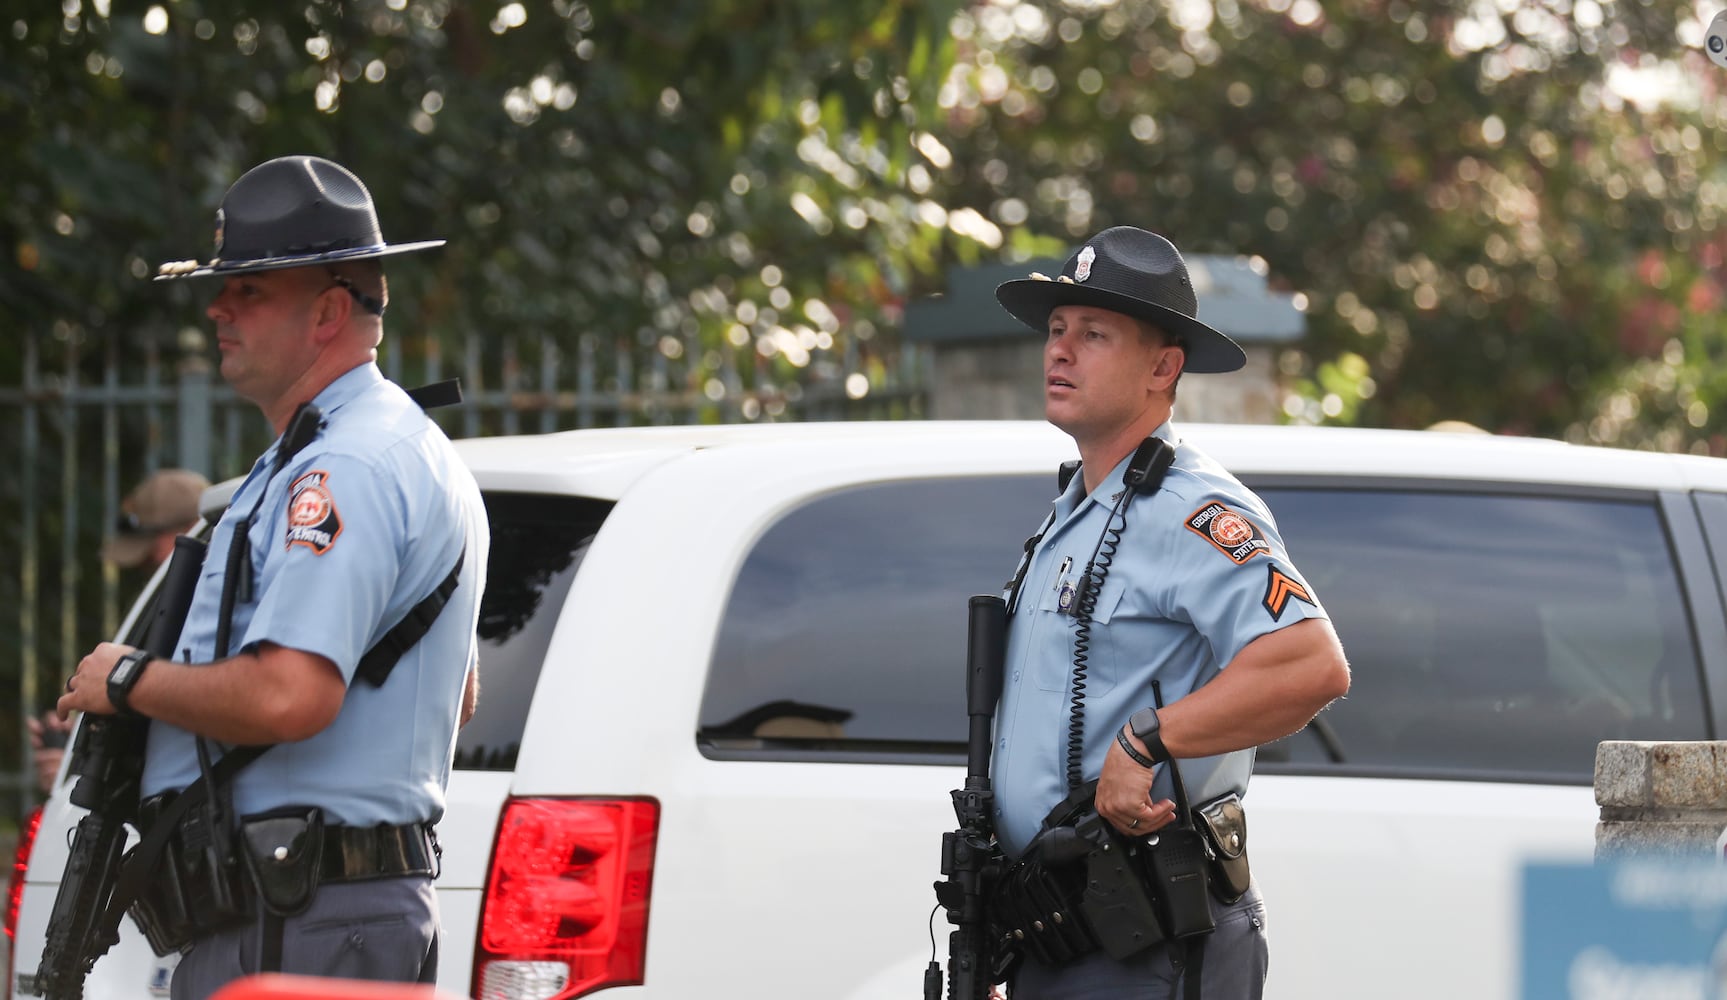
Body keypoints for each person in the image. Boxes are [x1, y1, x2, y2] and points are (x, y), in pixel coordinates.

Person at [56, 155, 489, 1000]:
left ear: (328, 311)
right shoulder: (360, 449)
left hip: (302, 913)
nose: (219, 306)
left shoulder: (348, 466)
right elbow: (457, 688)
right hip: (309, 908)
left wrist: (132, 679)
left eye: (250, 289)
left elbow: (294, 697)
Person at [987, 226, 1350, 999]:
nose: (1059, 351)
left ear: (1162, 366)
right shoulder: (1069, 514)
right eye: (1055, 331)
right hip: (1058, 928)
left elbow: (1310, 664)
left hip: (1149, 937)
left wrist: (1147, 739)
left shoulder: (1193, 507)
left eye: (1093, 333)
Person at [30, 470, 211, 797]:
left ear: (190, 529)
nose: (149, 573)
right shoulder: (174, 611)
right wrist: (81, 748)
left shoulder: (214, 619)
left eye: (150, 556)